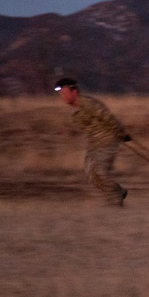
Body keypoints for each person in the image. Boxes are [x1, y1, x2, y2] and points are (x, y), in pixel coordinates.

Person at [54, 78, 130, 206]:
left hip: (107, 140)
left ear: (74, 92)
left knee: (102, 172)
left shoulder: (88, 104)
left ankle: (115, 201)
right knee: (92, 175)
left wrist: (120, 133)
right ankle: (118, 191)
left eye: (65, 93)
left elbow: (107, 117)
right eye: (60, 94)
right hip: (94, 144)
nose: (62, 97)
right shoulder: (74, 109)